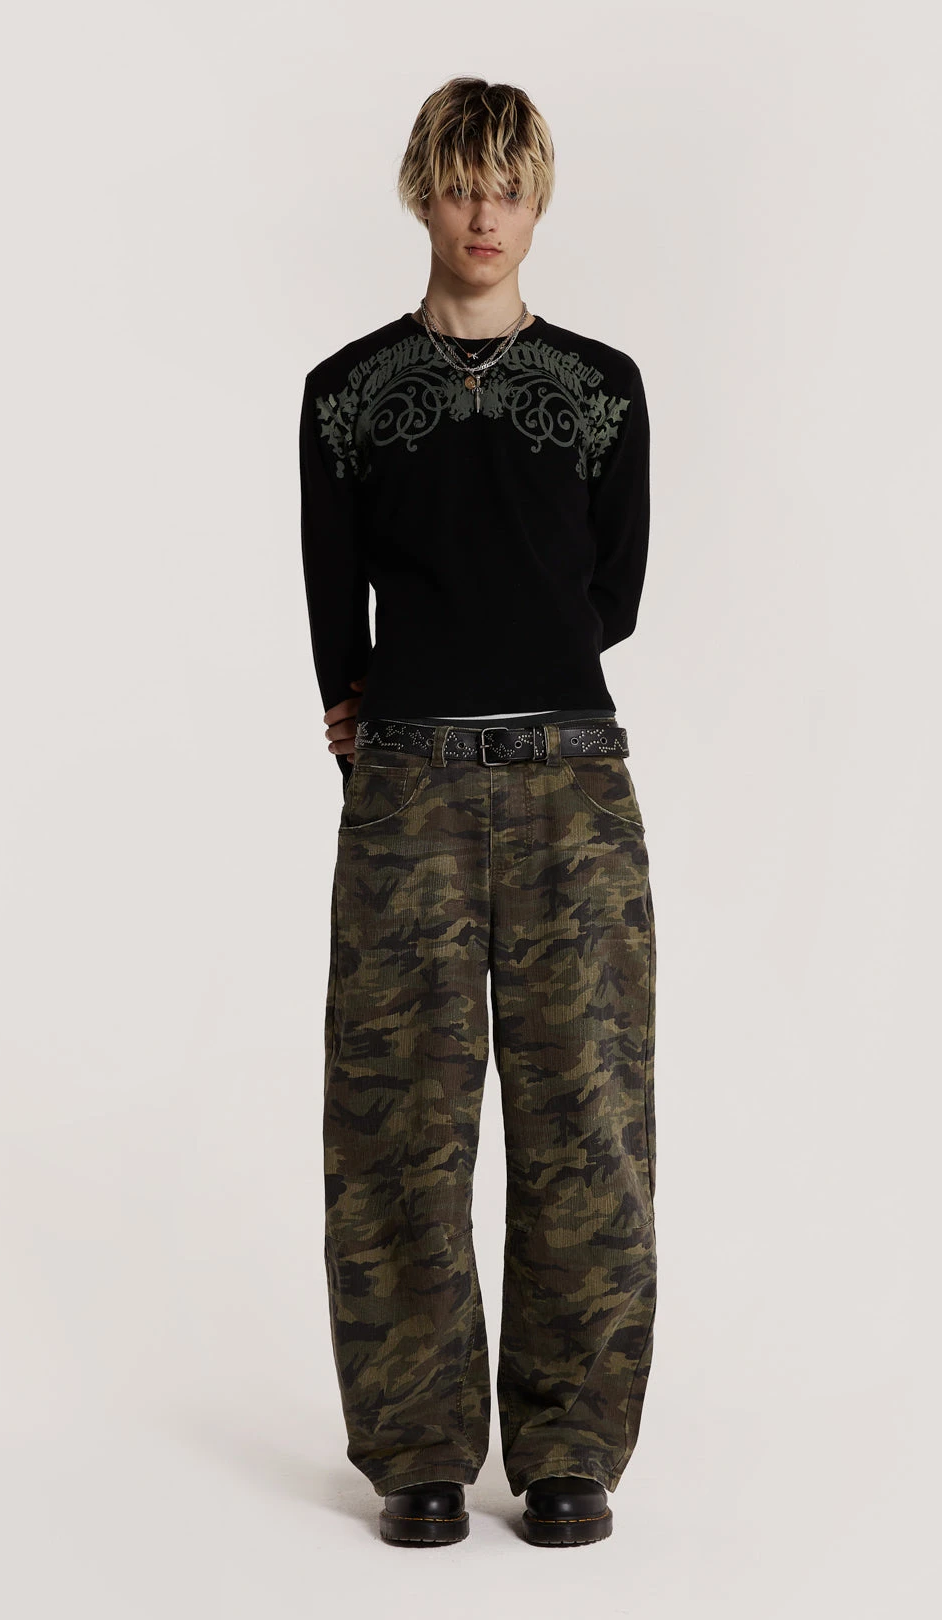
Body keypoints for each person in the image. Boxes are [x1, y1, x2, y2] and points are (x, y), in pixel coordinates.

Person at [298, 76, 656, 1548]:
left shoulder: (602, 389)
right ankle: (418, 1451)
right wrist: (386, 716)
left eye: (507, 185)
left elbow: (611, 598)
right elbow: (334, 610)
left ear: (538, 198)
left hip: (573, 784)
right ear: (422, 194)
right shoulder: (348, 395)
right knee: (398, 1120)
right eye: (460, 183)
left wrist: (499, 661)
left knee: (588, 1116)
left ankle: (571, 1447)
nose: (484, 213)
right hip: (409, 791)